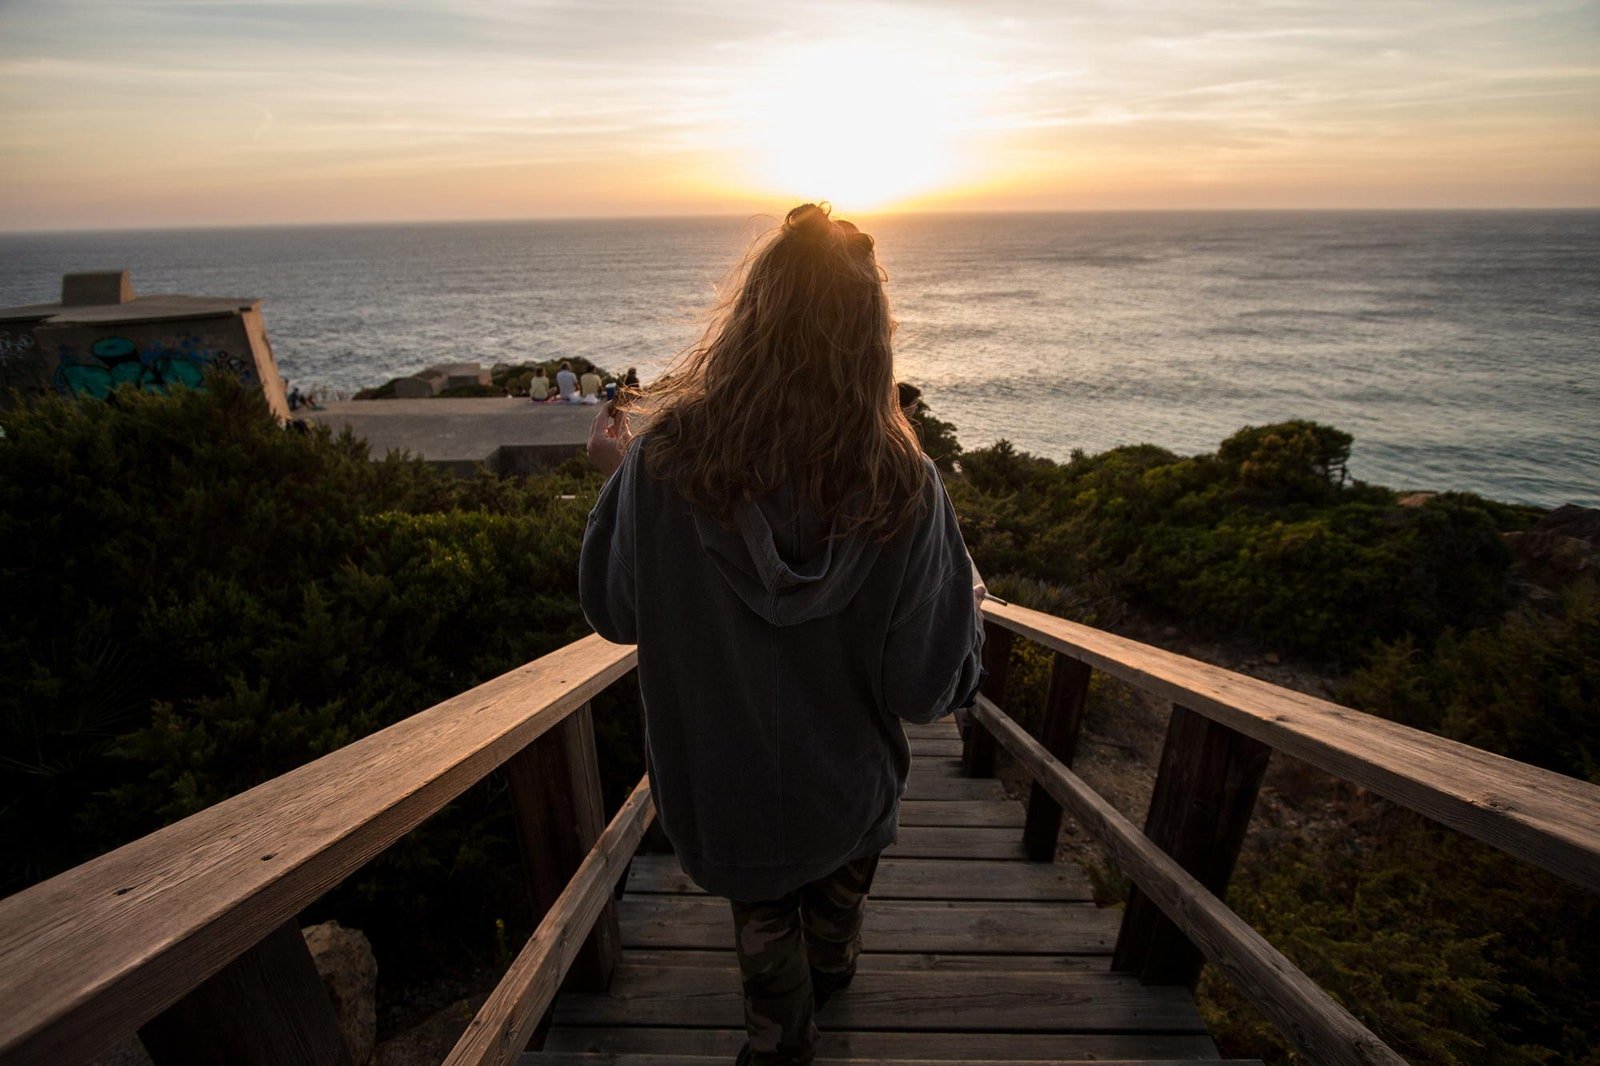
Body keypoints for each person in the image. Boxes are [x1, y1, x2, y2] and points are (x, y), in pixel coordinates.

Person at [580, 203, 985, 1066]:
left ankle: (782, 1034)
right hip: (846, 787)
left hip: (723, 790)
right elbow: (925, 689)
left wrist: (618, 491)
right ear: (872, 333)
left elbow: (614, 613)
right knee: (834, 923)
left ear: (750, 315)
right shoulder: (904, 485)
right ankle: (828, 979)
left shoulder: (662, 465)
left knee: (766, 936)